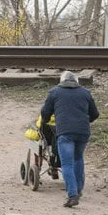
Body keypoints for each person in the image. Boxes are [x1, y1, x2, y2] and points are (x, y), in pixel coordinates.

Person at [40, 71, 100, 208]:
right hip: (83, 132)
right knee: (78, 159)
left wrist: (45, 122)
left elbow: (45, 112)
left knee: (67, 164)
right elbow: (95, 114)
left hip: (65, 133)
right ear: (76, 81)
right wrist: (85, 121)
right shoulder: (86, 93)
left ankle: (72, 195)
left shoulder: (55, 92)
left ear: (62, 81)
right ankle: (78, 190)